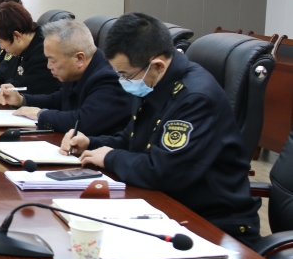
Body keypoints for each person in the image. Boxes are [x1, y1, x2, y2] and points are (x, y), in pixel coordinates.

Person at [60, 12, 261, 245]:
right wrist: (92, 143)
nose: (123, 81)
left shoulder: (194, 98)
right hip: (167, 205)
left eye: (125, 75)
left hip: (213, 224)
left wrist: (111, 157)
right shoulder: (152, 81)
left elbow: (164, 172)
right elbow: (132, 140)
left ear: (157, 65)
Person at [0, 19, 132, 135]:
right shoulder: (76, 72)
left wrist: (41, 114)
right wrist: (21, 100)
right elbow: (57, 99)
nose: (48, 66)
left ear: (79, 58)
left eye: (53, 60)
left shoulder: (110, 78)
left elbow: (84, 122)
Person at [0, 2, 61, 94]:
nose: (1, 47)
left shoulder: (44, 50)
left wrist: (1, 86)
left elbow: (30, 88)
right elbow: (11, 77)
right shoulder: (22, 47)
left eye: (0, 41)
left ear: (17, 36)